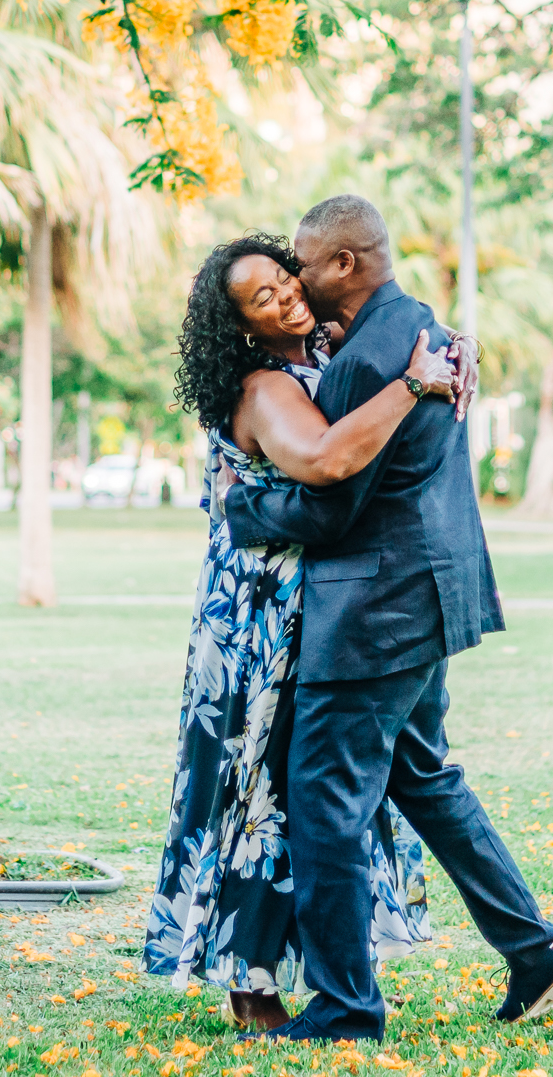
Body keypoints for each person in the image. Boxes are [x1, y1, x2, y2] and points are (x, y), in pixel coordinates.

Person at [222, 194, 553, 1043]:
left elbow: (330, 512)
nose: (296, 277)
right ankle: (537, 953)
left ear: (344, 266)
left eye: (304, 264)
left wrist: (248, 508)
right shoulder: (421, 329)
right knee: (423, 777)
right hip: (430, 598)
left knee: (325, 806)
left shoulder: (364, 367)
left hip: (372, 614)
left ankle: (348, 1008)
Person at [145, 232, 467, 1030]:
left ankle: (314, 974)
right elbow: (324, 460)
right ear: (243, 328)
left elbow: (408, 326)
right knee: (258, 789)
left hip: (315, 597)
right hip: (261, 608)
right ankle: (251, 982)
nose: (287, 294)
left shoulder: (324, 347)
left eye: (285, 278)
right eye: (263, 298)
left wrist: (459, 354)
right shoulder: (262, 386)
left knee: (303, 790)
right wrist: (418, 383)